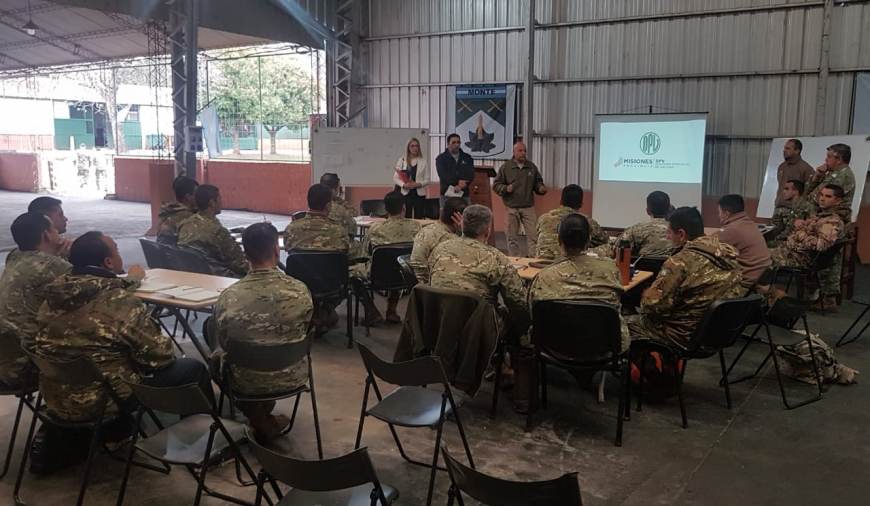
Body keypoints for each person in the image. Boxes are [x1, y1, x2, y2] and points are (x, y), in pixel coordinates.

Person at [33, 231, 210, 421]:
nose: (120, 255)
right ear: (108, 262)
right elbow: (160, 357)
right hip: (105, 400)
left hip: (56, 398)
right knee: (192, 368)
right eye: (117, 250)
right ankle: (201, 437)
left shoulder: (51, 300)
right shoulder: (118, 302)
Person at [213, 223, 312, 440]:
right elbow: (304, 328)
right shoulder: (300, 291)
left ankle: (258, 417)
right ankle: (262, 417)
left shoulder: (229, 297)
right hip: (291, 375)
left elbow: (225, 341)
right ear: (277, 250)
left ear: (245, 253)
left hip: (246, 380)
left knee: (215, 356)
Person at [429, 204, 530, 411]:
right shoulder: (496, 258)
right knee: (517, 323)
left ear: (462, 225)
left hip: (438, 322)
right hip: (478, 328)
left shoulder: (440, 250)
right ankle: (521, 395)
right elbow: (517, 302)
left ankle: (500, 368)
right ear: (488, 230)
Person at [627, 207, 743, 349]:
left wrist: (647, 293)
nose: (667, 237)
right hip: (718, 334)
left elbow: (653, 307)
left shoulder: (679, 262)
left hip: (682, 335)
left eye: (669, 233)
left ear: (681, 234)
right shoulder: (729, 255)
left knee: (618, 324)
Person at [529, 213, 628, 352]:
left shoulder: (544, 276)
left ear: (559, 240)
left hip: (555, 348)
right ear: (588, 240)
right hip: (603, 348)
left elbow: (532, 313)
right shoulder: (610, 270)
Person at [0, 212, 71, 389]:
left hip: (5, 360)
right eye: (54, 230)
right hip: (28, 367)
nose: (59, 234)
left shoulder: (14, 256)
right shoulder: (54, 265)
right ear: (46, 235)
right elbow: (92, 286)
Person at [764, 185, 846, 310]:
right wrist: (803, 225)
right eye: (821, 195)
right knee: (756, 253)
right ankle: (766, 295)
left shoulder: (832, 221)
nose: (822, 199)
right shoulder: (821, 215)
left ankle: (771, 296)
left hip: (799, 258)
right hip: (789, 251)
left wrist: (802, 234)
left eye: (828, 196)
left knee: (758, 258)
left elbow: (821, 245)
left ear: (838, 201)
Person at [284, 184, 351, 334]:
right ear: (328, 205)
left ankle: (315, 313)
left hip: (300, 284)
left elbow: (289, 250)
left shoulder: (292, 228)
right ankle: (324, 312)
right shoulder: (339, 230)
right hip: (331, 284)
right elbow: (347, 253)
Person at [352, 192, 422, 324]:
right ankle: (391, 310)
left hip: (378, 275)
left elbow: (363, 254)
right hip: (405, 275)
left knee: (351, 272)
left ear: (385, 209)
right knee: (397, 262)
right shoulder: (416, 227)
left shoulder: (375, 229)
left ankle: (371, 311)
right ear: (404, 208)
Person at [804, 144, 855, 307]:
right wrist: (818, 175)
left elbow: (813, 197)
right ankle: (823, 295)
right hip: (822, 217)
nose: (825, 160)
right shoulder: (832, 173)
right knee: (825, 257)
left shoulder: (843, 176)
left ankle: (828, 298)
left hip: (833, 219)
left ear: (838, 159)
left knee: (829, 257)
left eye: (828, 157)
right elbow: (809, 193)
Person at [177, 185, 249, 278]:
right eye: (220, 198)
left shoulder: (185, 224)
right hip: (217, 277)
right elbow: (239, 263)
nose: (222, 202)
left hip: (190, 273)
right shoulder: (217, 231)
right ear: (212, 202)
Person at [493, 141, 547, 256]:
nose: (523, 153)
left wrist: (541, 188)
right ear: (513, 152)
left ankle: (533, 258)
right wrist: (505, 188)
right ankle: (515, 260)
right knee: (511, 237)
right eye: (520, 151)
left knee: (533, 236)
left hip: (528, 207)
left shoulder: (531, 167)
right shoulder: (506, 167)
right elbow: (496, 185)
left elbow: (537, 183)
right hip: (511, 208)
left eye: (525, 151)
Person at [535, 184, 608, 259]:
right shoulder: (584, 221)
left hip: (542, 263)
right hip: (568, 264)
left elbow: (537, 239)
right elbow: (604, 240)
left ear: (560, 200)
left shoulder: (543, 218)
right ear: (581, 204)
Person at [715, 194, 771, 289]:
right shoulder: (749, 223)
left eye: (719, 212)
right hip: (761, 277)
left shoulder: (732, 229)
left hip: (746, 283)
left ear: (726, 213)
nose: (718, 215)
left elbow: (706, 245)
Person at [409, 197, 467, 284]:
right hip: (439, 286)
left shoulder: (425, 230)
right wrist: (465, 233)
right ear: (459, 219)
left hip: (420, 285)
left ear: (442, 212)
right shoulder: (451, 240)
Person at [603, 190, 673, 258]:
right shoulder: (677, 231)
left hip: (642, 268)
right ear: (669, 209)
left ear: (648, 211)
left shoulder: (637, 229)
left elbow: (617, 248)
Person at [768, 179, 814, 246]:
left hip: (795, 243)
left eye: (786, 189)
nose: (783, 191)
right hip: (787, 240)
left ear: (795, 191)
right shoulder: (793, 206)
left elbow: (791, 231)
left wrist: (777, 239)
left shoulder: (806, 207)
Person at [393, 137, 430, 218]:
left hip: (419, 194)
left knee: (419, 216)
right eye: (412, 146)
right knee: (406, 216)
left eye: (416, 146)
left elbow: (427, 180)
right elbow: (395, 178)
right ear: (408, 148)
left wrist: (418, 184)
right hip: (405, 193)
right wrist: (403, 185)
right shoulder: (402, 160)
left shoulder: (423, 161)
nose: (415, 148)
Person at [157, 175, 199, 245]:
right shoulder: (188, 217)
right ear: (188, 197)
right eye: (197, 194)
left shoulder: (169, 211)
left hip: (166, 253)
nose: (199, 197)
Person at [435, 133, 475, 205]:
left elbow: (471, 174)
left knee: (466, 215)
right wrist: (457, 184)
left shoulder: (467, 158)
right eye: (453, 142)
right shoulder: (441, 158)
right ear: (448, 144)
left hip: (464, 194)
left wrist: (462, 185)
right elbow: (443, 175)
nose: (456, 145)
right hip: (447, 193)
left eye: (458, 142)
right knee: (446, 215)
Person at [775, 139, 814, 206]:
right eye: (784, 148)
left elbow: (811, 190)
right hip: (779, 207)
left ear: (797, 151)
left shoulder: (805, 168)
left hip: (794, 210)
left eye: (788, 148)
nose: (784, 150)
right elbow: (781, 186)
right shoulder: (782, 166)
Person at [320, 172, 357, 239]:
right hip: (335, 243)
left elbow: (354, 212)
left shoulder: (314, 201)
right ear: (333, 190)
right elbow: (353, 229)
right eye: (338, 187)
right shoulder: (339, 208)